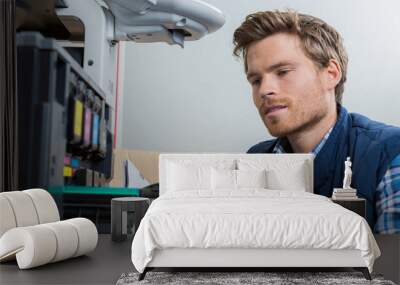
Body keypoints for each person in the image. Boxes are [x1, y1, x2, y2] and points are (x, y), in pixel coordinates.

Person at [232, 10, 400, 233]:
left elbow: (394, 265)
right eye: (255, 80)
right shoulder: (254, 160)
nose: (264, 90)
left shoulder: (390, 152)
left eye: (283, 72)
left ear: (331, 73)